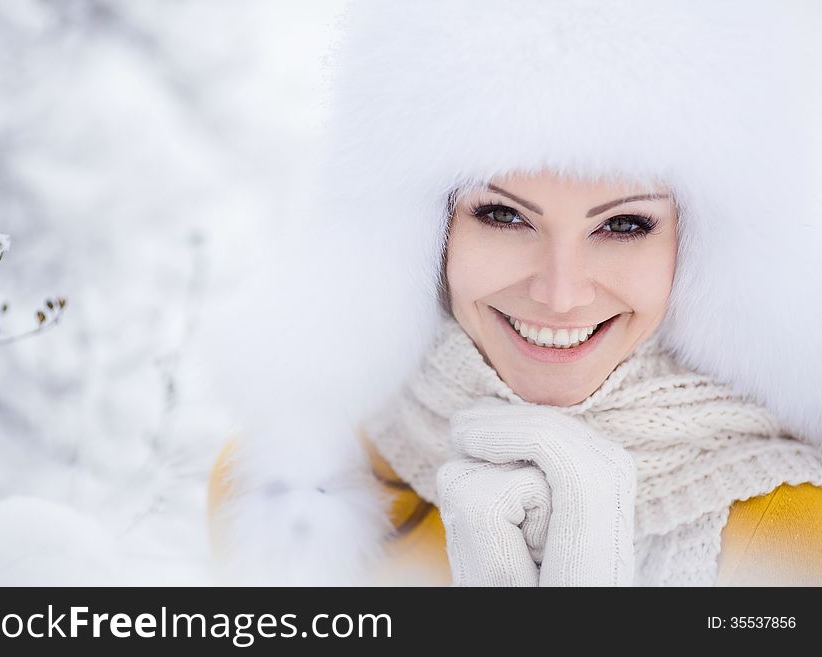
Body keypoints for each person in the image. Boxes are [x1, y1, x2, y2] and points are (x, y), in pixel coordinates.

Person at [205, 0, 822, 586]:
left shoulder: (791, 529)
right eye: (504, 216)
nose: (560, 293)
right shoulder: (300, 501)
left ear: (704, 249)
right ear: (426, 230)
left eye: (624, 225)